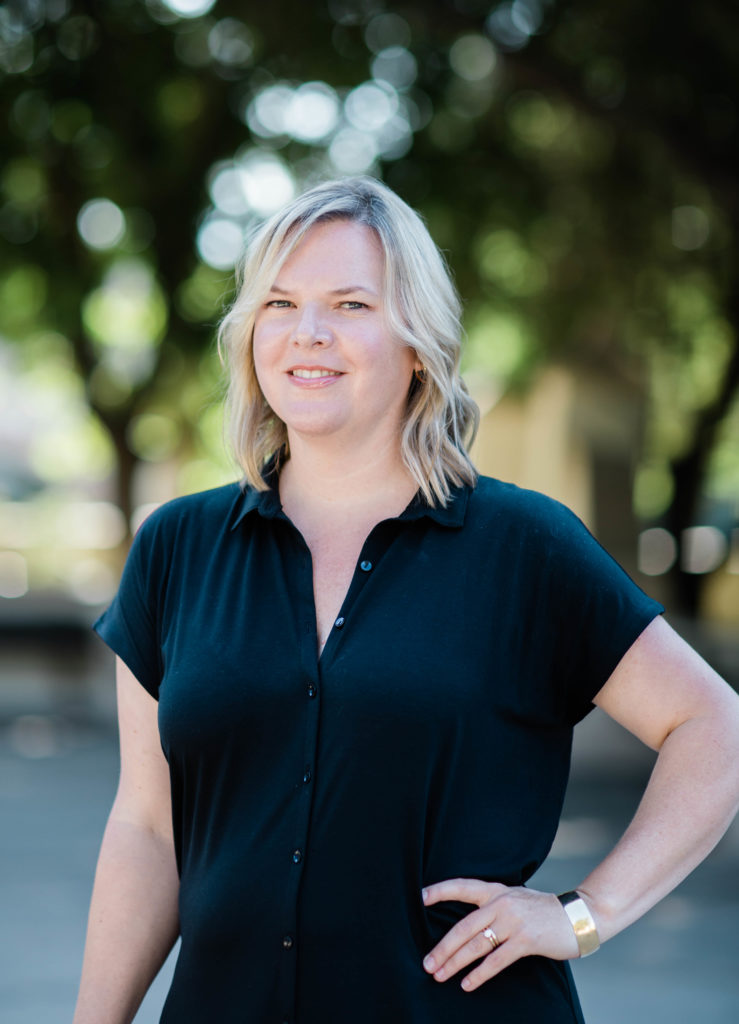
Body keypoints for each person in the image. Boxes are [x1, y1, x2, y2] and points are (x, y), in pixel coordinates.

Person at [74, 176, 739, 1024]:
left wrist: (585, 914)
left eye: (350, 304)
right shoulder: (176, 546)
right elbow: (149, 830)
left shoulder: (523, 546)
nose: (307, 333)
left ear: (417, 342)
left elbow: (707, 725)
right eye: (280, 303)